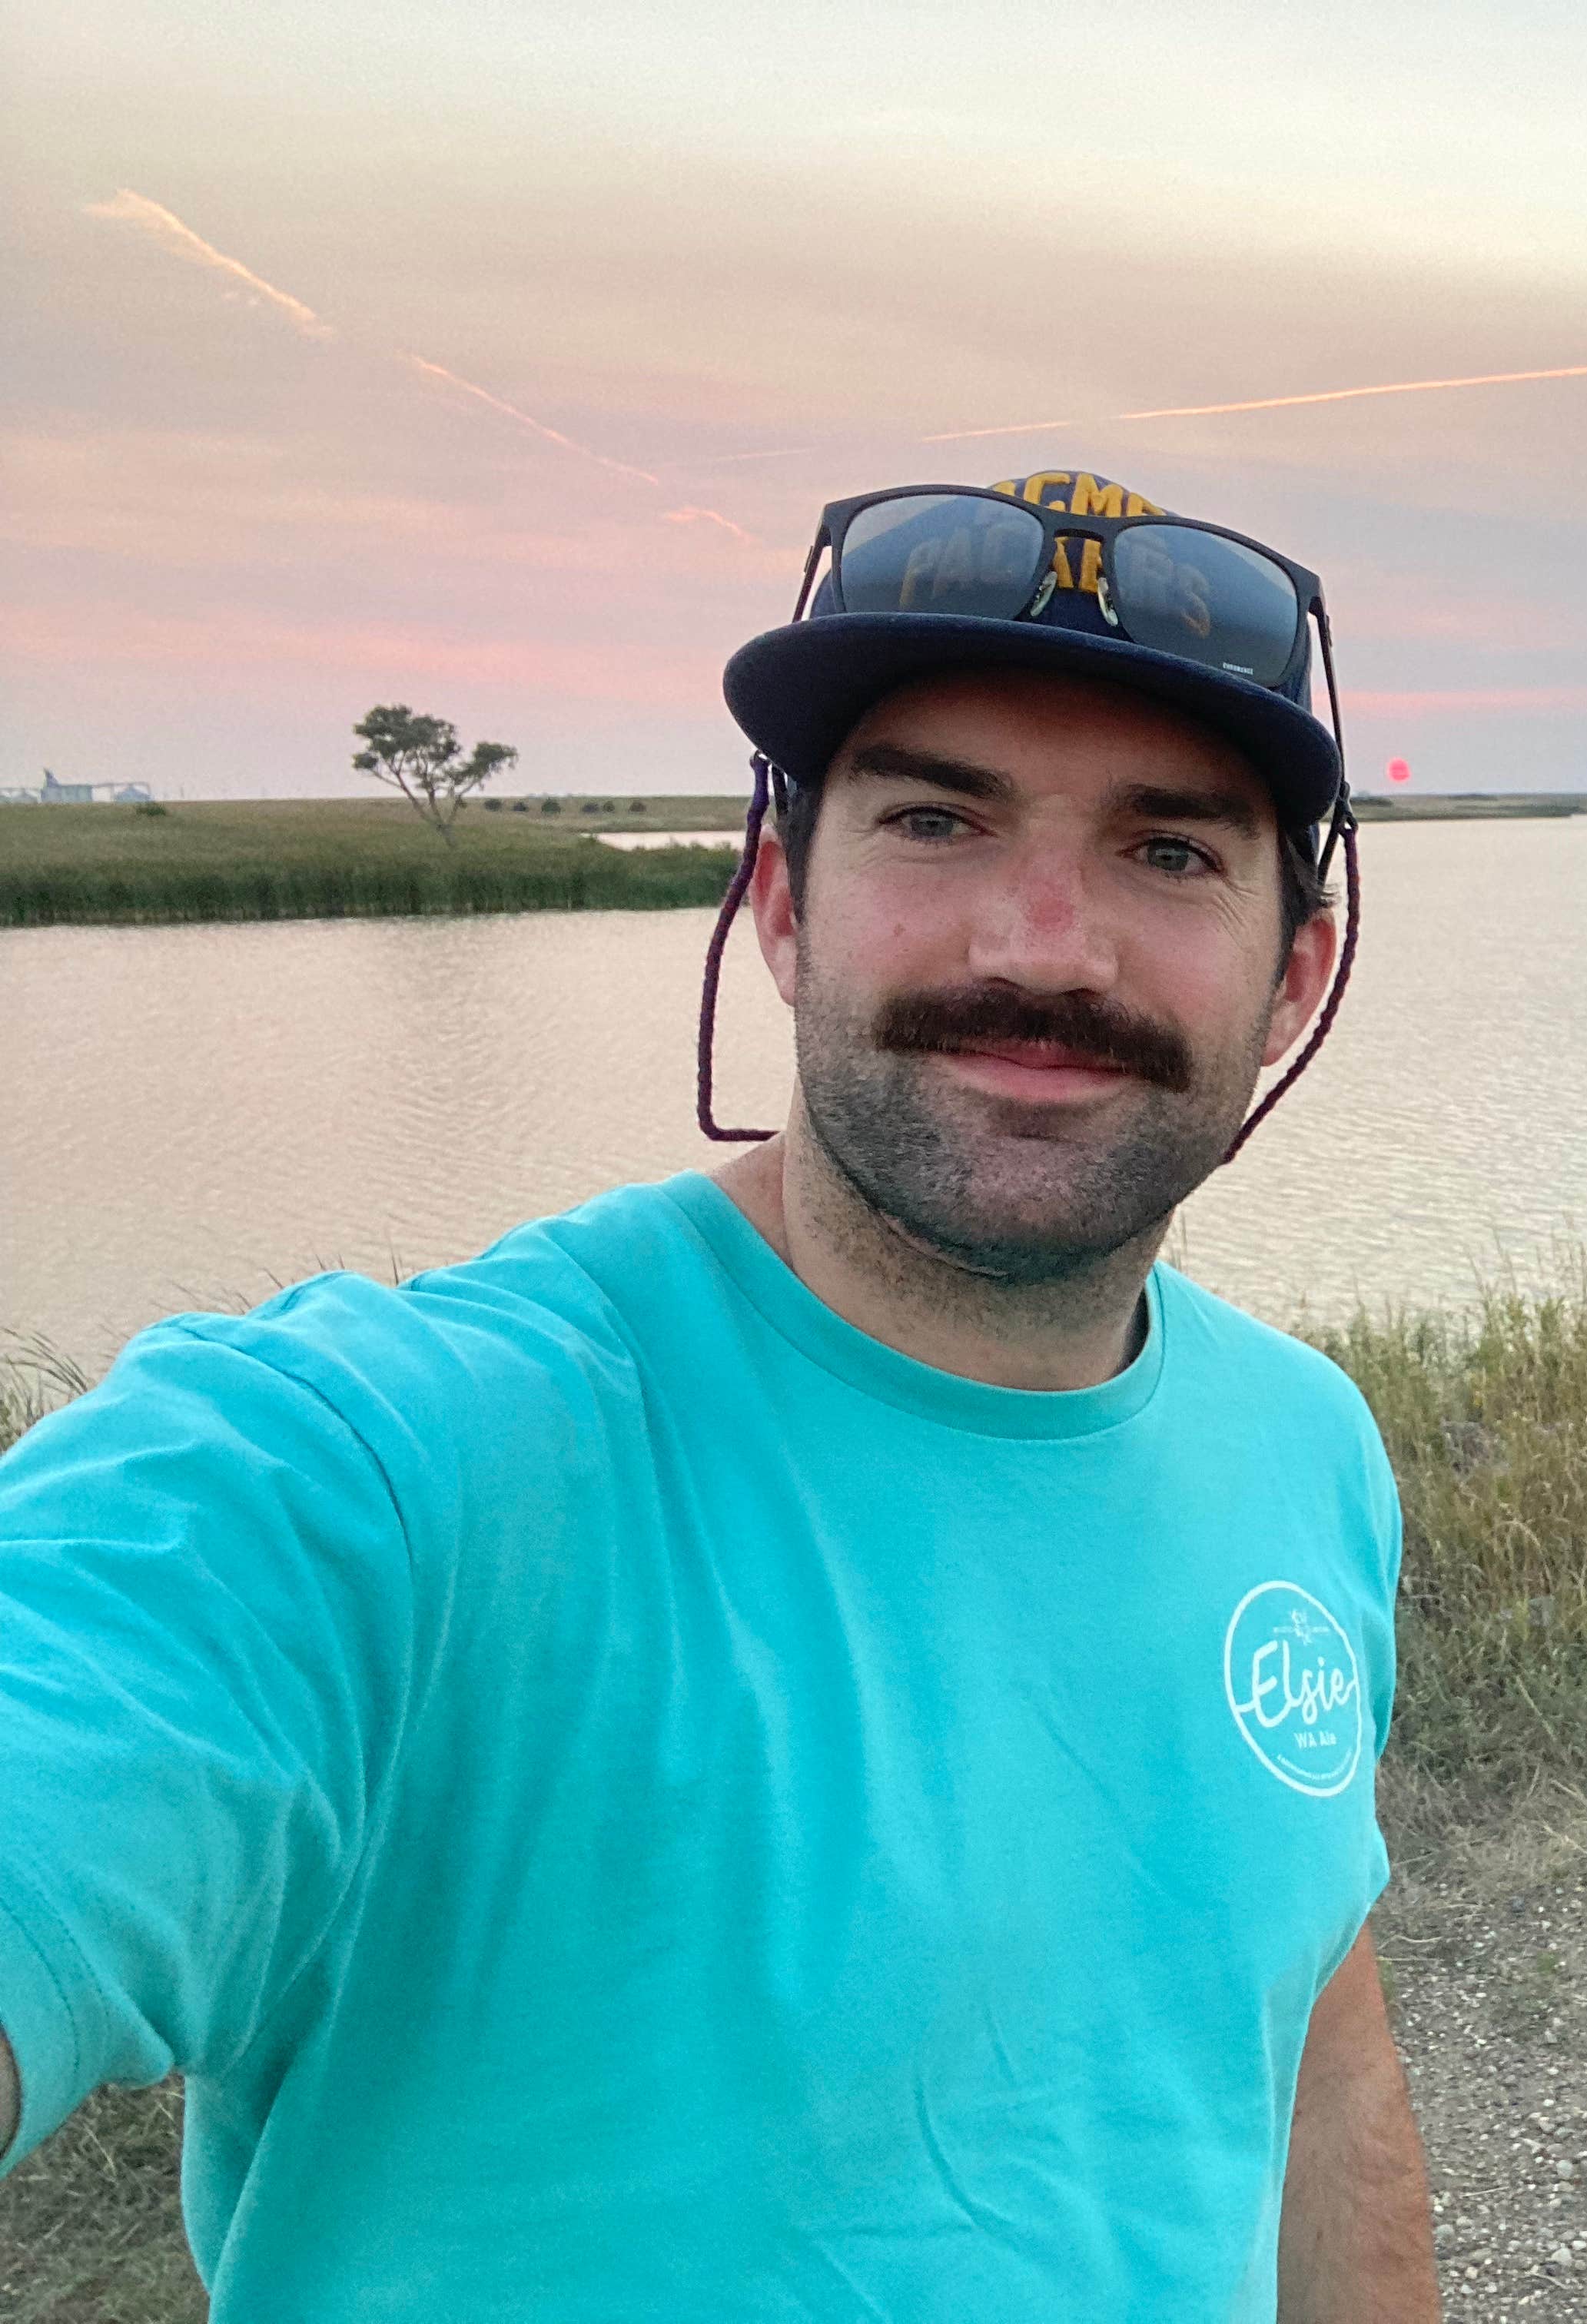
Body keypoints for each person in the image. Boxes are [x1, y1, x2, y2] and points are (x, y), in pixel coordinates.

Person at [0, 471, 1439, 2320]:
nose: (1040, 941)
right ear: (779, 904)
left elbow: (1309, 2048)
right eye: (935, 819)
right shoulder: (383, 1465)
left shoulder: (1305, 1448)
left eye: (1172, 852)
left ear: (1290, 974)